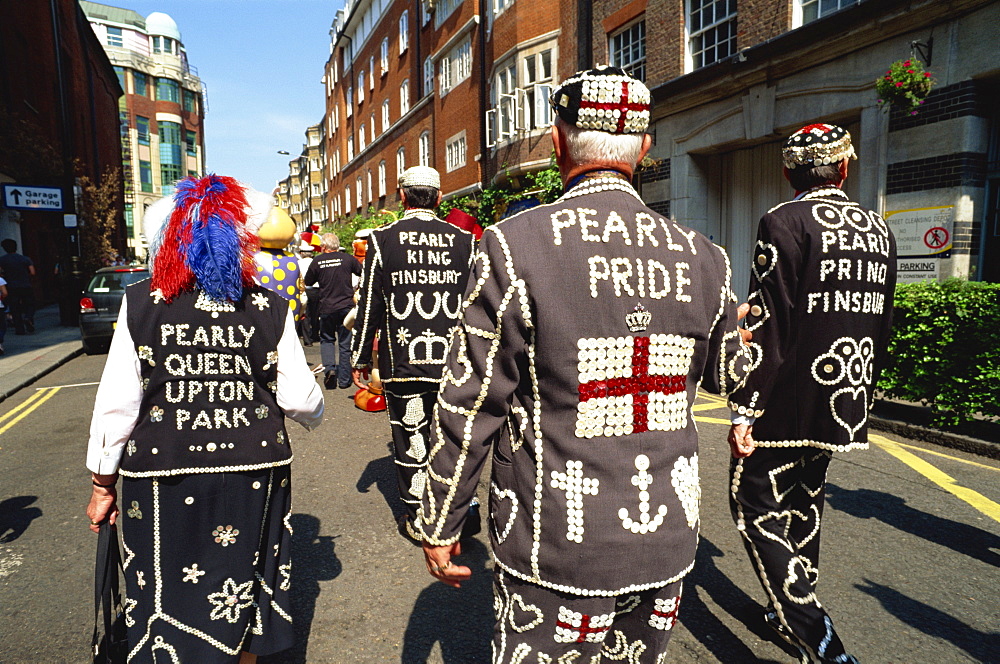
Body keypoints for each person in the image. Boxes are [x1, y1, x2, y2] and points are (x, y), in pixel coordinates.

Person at [416, 67, 753, 662]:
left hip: (556, 542)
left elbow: (472, 400)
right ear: (645, 148)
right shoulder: (707, 258)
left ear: (557, 141)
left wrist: (442, 517)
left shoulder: (514, 245)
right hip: (666, 542)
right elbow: (738, 375)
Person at [84, 175, 324, 663]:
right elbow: (301, 400)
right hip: (253, 469)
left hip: (160, 473)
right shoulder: (269, 306)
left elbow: (117, 406)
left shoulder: (139, 303)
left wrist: (102, 483)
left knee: (166, 587)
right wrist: (316, 410)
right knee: (245, 585)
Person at [726, 124, 897, 664]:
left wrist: (744, 410)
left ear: (788, 172)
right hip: (845, 395)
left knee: (754, 508)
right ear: (844, 169)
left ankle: (818, 639)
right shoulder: (878, 228)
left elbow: (770, 325)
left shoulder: (783, 222)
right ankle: (787, 615)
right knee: (805, 501)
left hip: (786, 400)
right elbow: (883, 321)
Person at [350, 165, 476, 543]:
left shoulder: (382, 239)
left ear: (402, 196)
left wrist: (358, 357)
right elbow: (475, 304)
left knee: (411, 438)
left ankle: (419, 517)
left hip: (402, 359)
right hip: (453, 361)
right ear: (439, 198)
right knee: (453, 438)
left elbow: (370, 302)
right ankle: (458, 515)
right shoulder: (463, 240)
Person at [304, 233, 361, 389]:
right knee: (345, 343)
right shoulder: (348, 259)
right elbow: (363, 272)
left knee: (327, 340)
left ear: (323, 247)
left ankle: (330, 369)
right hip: (346, 307)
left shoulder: (317, 261)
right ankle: (344, 380)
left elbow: (308, 281)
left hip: (327, 307)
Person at [0, 239, 35, 334]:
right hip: (25, 285)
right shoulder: (25, 259)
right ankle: (28, 317)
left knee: (15, 308)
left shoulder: (2, 260)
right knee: (30, 304)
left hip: (11, 286)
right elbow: (32, 272)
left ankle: (19, 329)